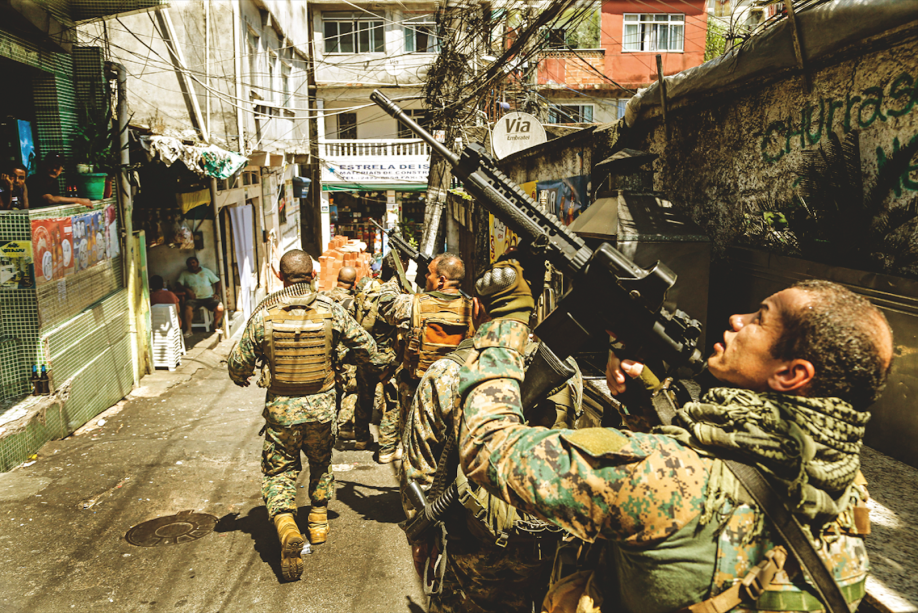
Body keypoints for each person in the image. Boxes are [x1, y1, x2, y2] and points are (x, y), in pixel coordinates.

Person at [457, 262, 893, 613]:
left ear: (791, 374)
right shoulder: (835, 473)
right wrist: (647, 402)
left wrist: (505, 328)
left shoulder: (671, 474)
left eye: (759, 320)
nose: (737, 319)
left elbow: (489, 446)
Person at [401, 262, 583, 613]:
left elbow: (419, 467)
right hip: (543, 542)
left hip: (470, 546)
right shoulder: (568, 370)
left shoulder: (446, 373)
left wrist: (421, 534)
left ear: (477, 308)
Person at [227, 249, 394, 582]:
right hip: (321, 408)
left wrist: (241, 375)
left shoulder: (265, 314)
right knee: (320, 462)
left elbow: (238, 364)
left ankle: (287, 526)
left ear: (280, 276)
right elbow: (368, 349)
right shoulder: (331, 310)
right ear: (314, 275)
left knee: (280, 470)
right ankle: (318, 523)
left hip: (282, 411)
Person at [381, 252, 472, 464]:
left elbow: (385, 304)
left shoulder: (412, 304)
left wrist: (397, 276)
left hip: (416, 390)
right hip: (458, 393)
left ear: (441, 280)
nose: (425, 277)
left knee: (416, 452)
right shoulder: (474, 309)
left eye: (429, 274)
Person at [353, 252, 406, 455]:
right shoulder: (395, 295)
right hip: (388, 359)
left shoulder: (368, 288)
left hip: (364, 354)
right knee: (393, 402)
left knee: (364, 397)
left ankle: (361, 438)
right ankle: (386, 449)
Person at [321, 266, 359, 438]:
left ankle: (327, 425)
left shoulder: (322, 298)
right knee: (351, 389)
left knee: (329, 388)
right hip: (345, 354)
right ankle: (344, 426)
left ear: (337, 278)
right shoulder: (353, 303)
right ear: (354, 283)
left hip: (324, 352)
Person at [177, 256, 224, 338]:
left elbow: (217, 281)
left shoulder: (206, 271)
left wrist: (217, 293)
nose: (192, 265)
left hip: (208, 298)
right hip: (194, 299)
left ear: (197, 263)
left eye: (193, 263)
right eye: (189, 264)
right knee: (187, 307)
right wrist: (187, 290)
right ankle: (189, 330)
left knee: (220, 307)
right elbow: (178, 284)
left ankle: (215, 325)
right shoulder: (184, 273)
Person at [25, 152, 92, 209]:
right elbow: (49, 199)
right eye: (51, 166)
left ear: (61, 170)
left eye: (57, 167)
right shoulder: (35, 179)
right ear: (44, 165)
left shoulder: (54, 182)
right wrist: (79, 200)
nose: (54, 170)